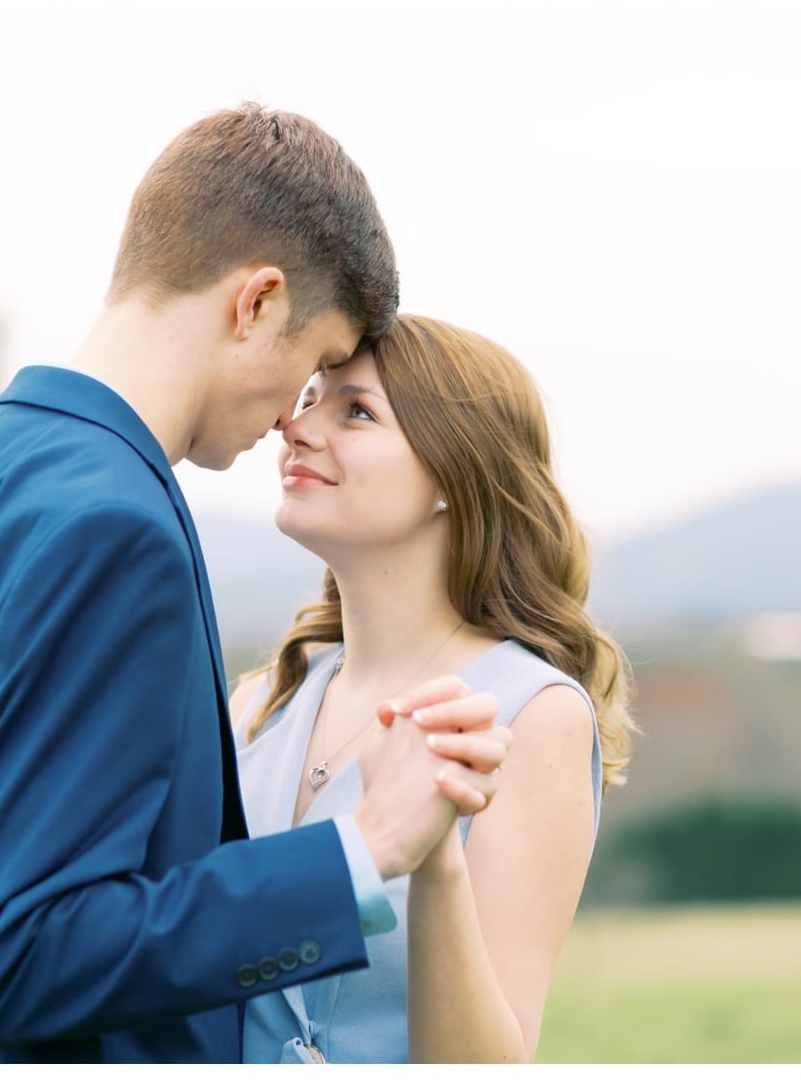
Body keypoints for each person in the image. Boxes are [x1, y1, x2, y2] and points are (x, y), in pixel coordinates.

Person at [0, 106, 514, 1064]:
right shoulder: (115, 529)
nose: (295, 415)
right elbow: (25, 957)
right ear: (256, 303)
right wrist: (361, 849)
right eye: (316, 362)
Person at [232, 314, 638, 1063]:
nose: (295, 424)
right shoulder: (255, 707)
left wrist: (435, 858)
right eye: (311, 395)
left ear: (454, 477)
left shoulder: (534, 714)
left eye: (355, 410)